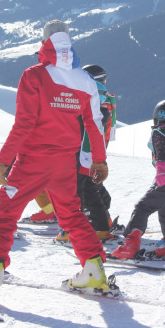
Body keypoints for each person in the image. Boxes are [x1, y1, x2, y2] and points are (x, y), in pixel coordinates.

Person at [0, 20, 111, 301]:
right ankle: (95, 270)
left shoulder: (34, 75)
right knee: (72, 215)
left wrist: (4, 160)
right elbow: (94, 124)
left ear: (45, 42)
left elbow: (24, 123)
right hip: (64, 163)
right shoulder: (85, 81)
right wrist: (99, 161)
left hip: (31, 161)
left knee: (5, 213)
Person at [111, 99, 165, 260]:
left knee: (143, 207)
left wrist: (161, 172)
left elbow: (163, 153)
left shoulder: (161, 132)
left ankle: (130, 246)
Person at [55, 64, 117, 242]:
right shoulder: (107, 98)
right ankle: (102, 225)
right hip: (96, 149)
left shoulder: (88, 94)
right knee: (90, 187)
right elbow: (109, 129)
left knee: (75, 189)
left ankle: (71, 230)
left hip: (81, 148)